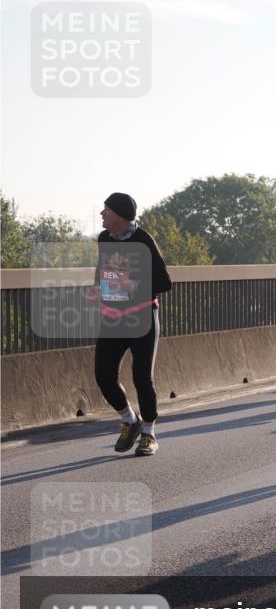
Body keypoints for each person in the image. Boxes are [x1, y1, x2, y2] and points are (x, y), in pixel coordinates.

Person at [92, 193, 172, 456]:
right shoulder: (105, 239)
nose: (102, 214)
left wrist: (130, 285)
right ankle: (130, 420)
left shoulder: (143, 240)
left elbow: (164, 283)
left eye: (106, 210)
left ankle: (149, 433)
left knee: (142, 378)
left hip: (142, 316)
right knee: (103, 375)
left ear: (120, 214)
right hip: (114, 318)